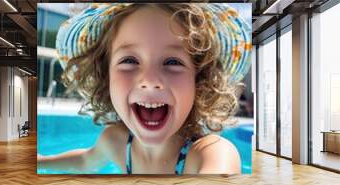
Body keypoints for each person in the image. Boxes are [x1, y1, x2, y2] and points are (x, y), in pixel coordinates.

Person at [38, 3, 251, 174]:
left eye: (173, 62)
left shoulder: (211, 155)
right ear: (106, 76)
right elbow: (85, 161)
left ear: (199, 80)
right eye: (129, 60)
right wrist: (41, 161)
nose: (149, 80)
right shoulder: (116, 142)